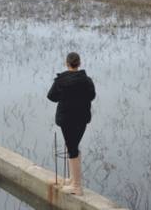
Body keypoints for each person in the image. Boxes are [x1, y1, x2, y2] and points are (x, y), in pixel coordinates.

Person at [47, 52, 96, 195]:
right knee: (73, 146)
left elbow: (51, 97)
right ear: (79, 63)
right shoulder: (87, 80)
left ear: (67, 63)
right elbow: (92, 96)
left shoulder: (61, 81)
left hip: (67, 119)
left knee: (72, 148)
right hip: (82, 118)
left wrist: (65, 96)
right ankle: (73, 179)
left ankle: (77, 187)